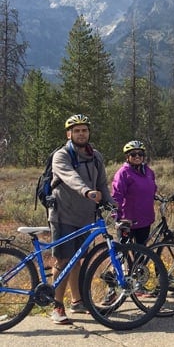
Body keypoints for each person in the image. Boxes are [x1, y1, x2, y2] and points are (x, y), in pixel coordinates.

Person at [48, 114, 113, 324]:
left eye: (84, 130)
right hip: (63, 215)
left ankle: (76, 302)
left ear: (89, 132)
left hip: (85, 217)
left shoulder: (96, 156)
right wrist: (86, 191)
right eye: (76, 130)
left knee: (78, 260)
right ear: (69, 134)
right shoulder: (61, 155)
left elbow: (102, 182)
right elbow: (69, 177)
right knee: (62, 260)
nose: (81, 133)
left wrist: (110, 202)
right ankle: (57, 306)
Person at [112, 140, 157, 245]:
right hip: (127, 221)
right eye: (133, 154)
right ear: (127, 156)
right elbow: (116, 195)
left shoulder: (149, 172)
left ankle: (139, 262)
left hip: (145, 219)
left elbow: (152, 189)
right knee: (123, 253)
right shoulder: (123, 173)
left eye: (140, 154)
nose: (137, 156)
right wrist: (117, 217)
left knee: (141, 254)